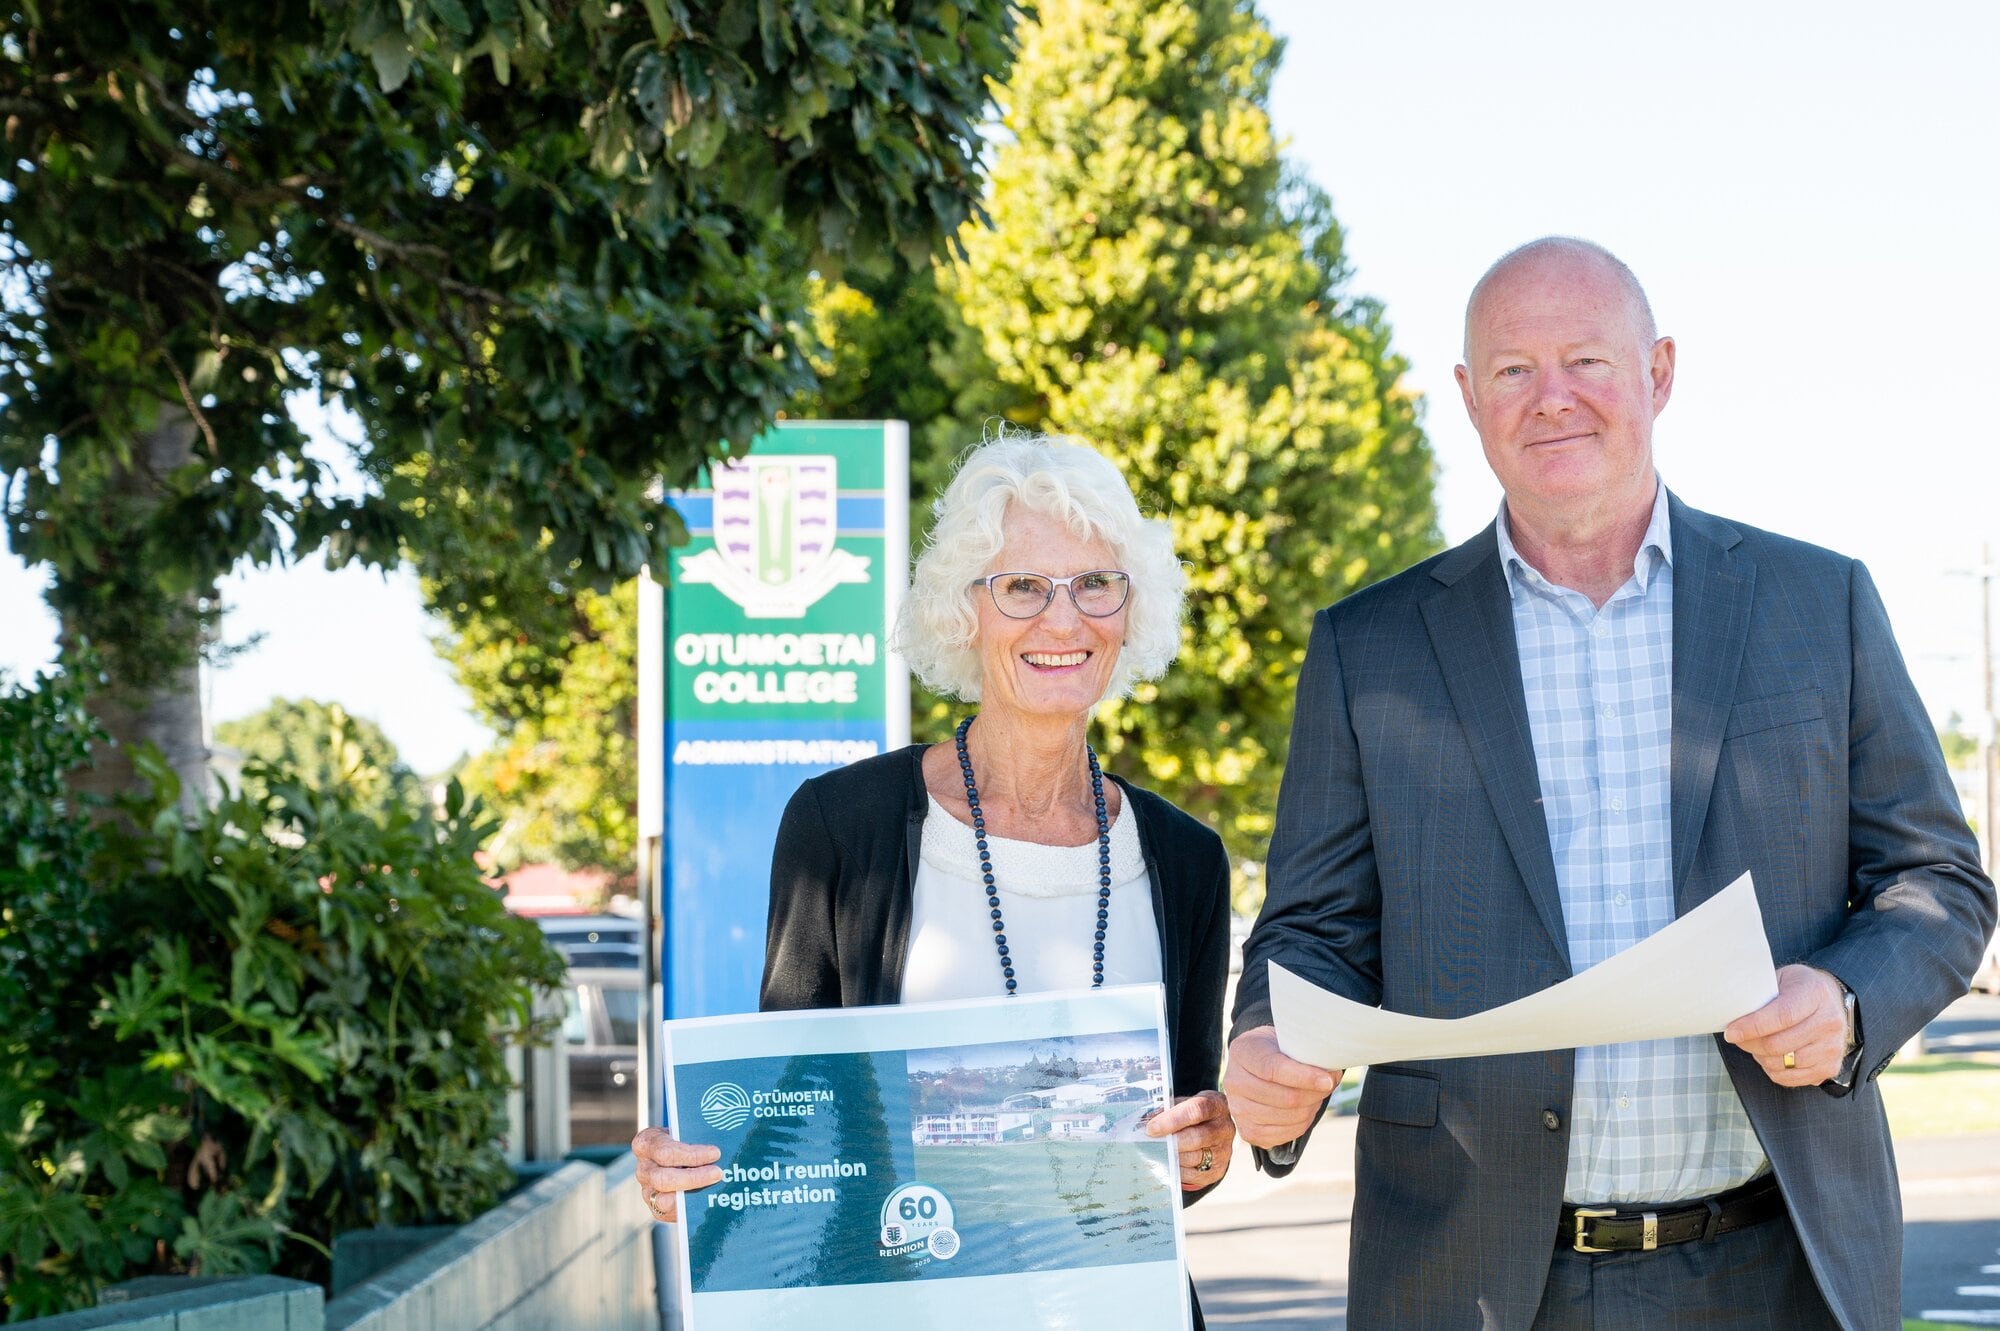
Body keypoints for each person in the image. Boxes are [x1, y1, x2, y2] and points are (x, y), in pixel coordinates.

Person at [1223, 237, 1997, 1329]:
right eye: (1509, 370)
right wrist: (1263, 1040)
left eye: (1586, 359)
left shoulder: (1813, 604)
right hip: (1474, 1279)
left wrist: (1848, 997)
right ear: (1465, 395)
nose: (1550, 399)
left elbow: (1937, 880)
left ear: (1658, 372)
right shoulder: (1370, 648)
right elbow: (1309, 927)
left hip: (1771, 1267)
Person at [633, 433, 1237, 1324]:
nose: (1063, 621)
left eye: (1095, 584)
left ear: (1130, 608)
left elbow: (1180, 1152)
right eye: (1022, 586)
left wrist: (1207, 1147)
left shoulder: (1188, 859)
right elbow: (797, 1127)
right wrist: (693, 1168)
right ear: (965, 611)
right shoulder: (839, 827)